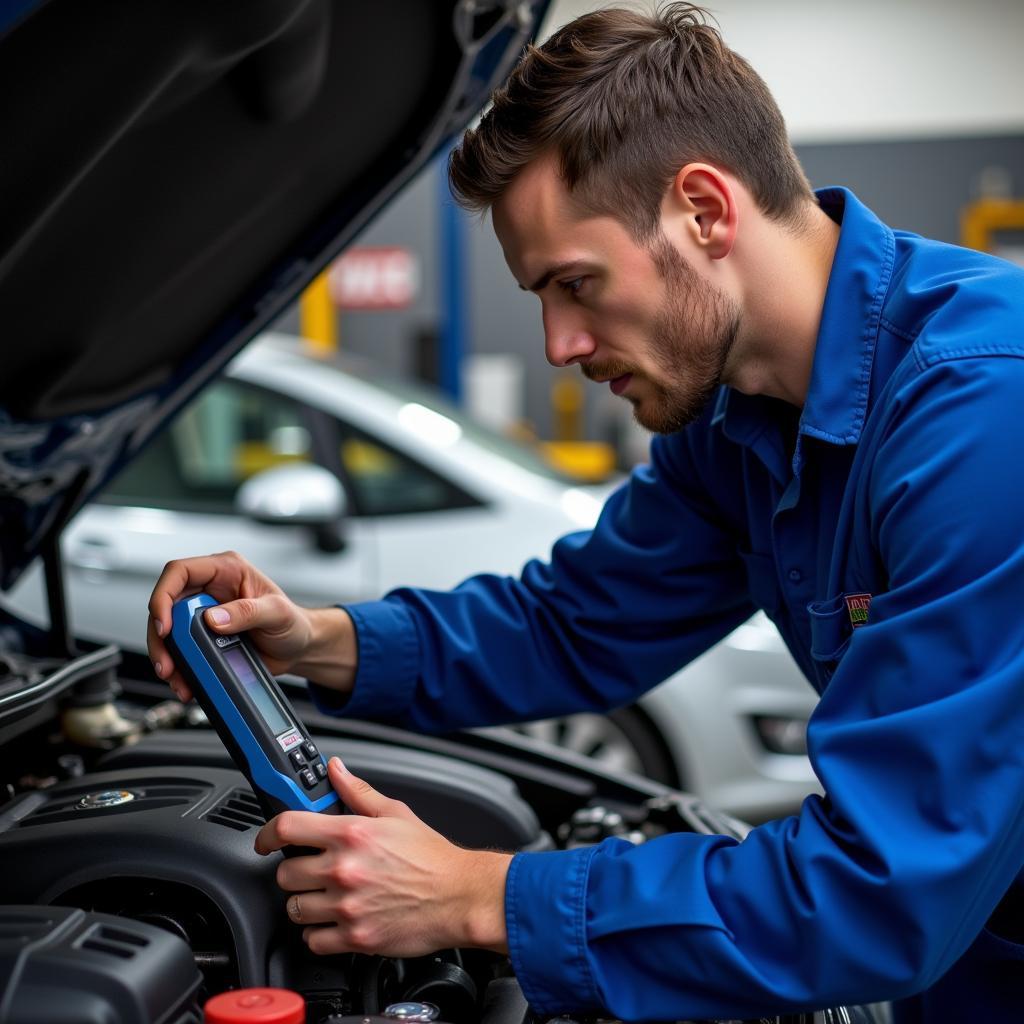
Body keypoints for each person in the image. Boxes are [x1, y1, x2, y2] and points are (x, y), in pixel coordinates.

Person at [147, 5, 1024, 1021]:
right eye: (539, 298)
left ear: (704, 209)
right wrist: (313, 641)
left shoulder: (981, 413)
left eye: (577, 284)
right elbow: (573, 621)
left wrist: (476, 894)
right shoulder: (735, 422)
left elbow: (878, 894)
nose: (560, 342)